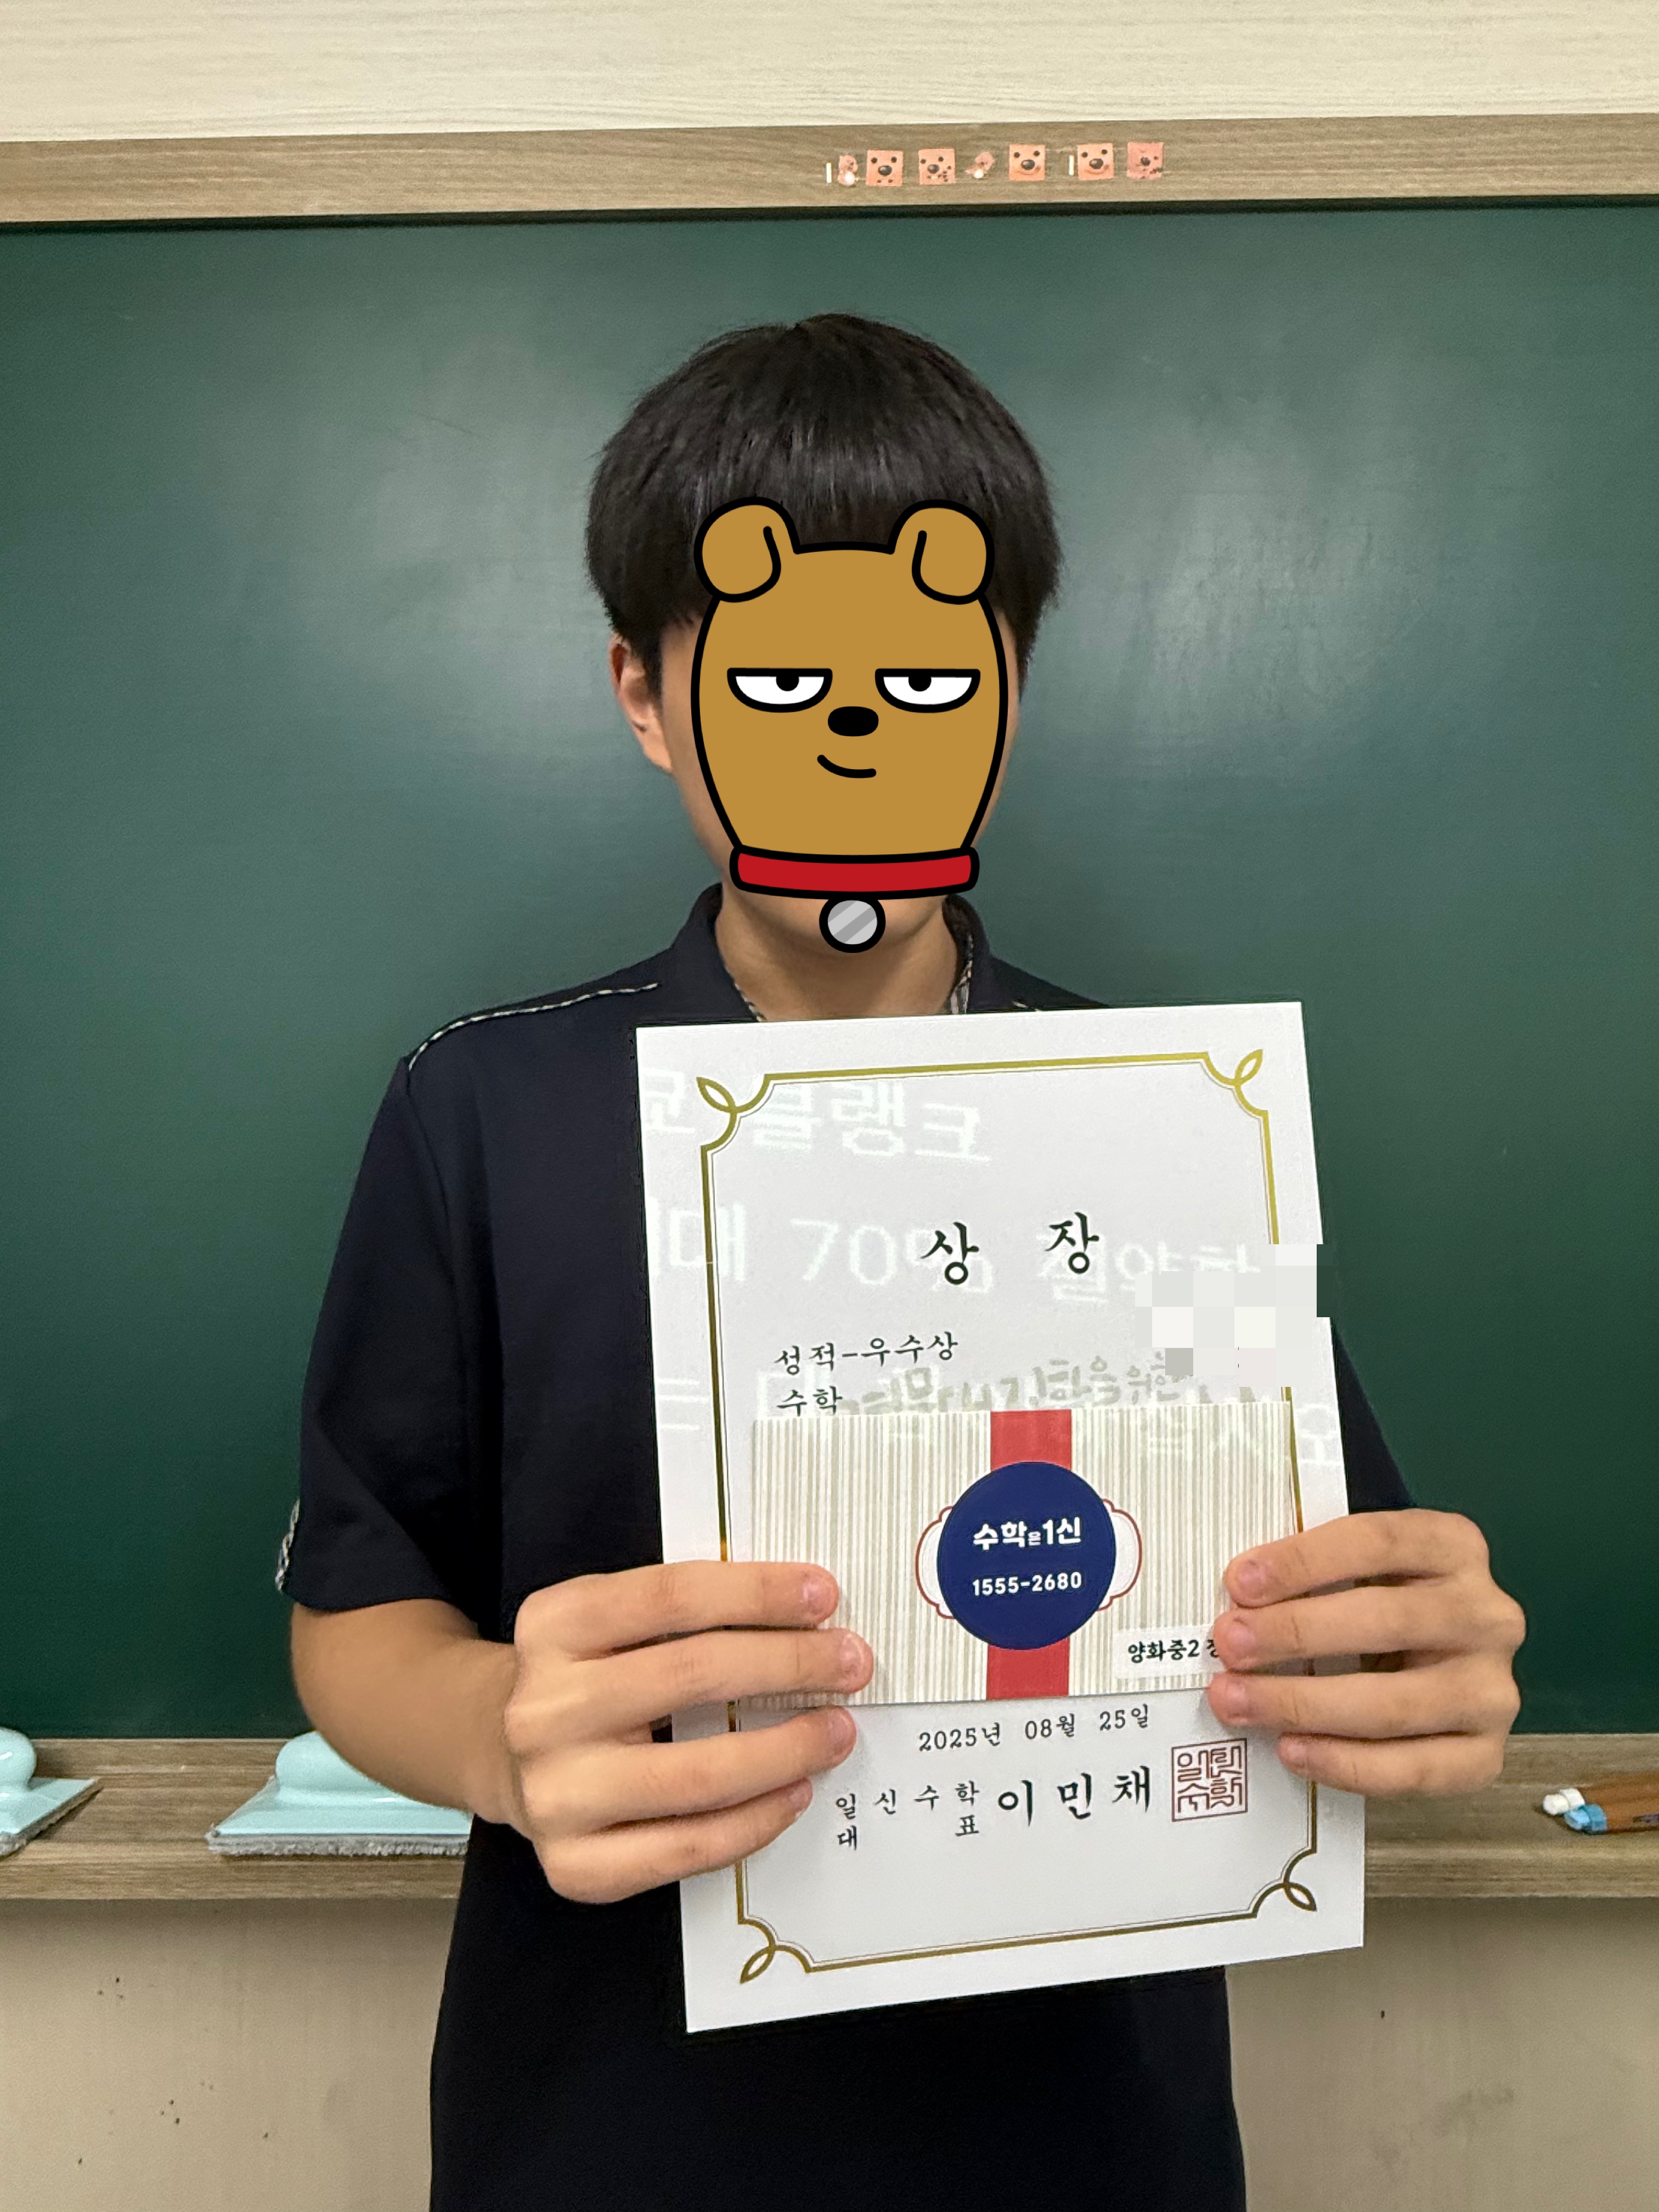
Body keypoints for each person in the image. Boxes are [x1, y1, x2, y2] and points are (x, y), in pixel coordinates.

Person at [280, 314, 1524, 2210]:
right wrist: (505, 1744)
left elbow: (1333, 1594)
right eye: (778, 681)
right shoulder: (484, 1105)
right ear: (645, 693)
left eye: (930, 681)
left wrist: (1412, 1659)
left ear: (1005, 693)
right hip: (611, 2116)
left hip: (1092, 2124)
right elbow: (360, 1607)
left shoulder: (1171, 1114)